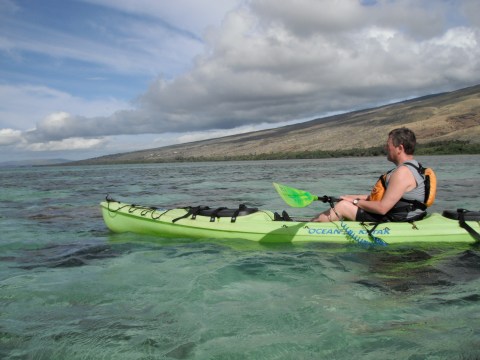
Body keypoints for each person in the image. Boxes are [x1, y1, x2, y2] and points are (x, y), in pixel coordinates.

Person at [311, 127, 428, 223]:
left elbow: (382, 208)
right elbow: (389, 197)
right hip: (402, 215)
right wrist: (353, 197)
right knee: (346, 202)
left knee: (343, 206)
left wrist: (355, 202)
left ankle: (310, 226)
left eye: (388, 145)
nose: (386, 148)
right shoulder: (413, 167)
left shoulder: (403, 172)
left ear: (400, 148)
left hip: (397, 219)